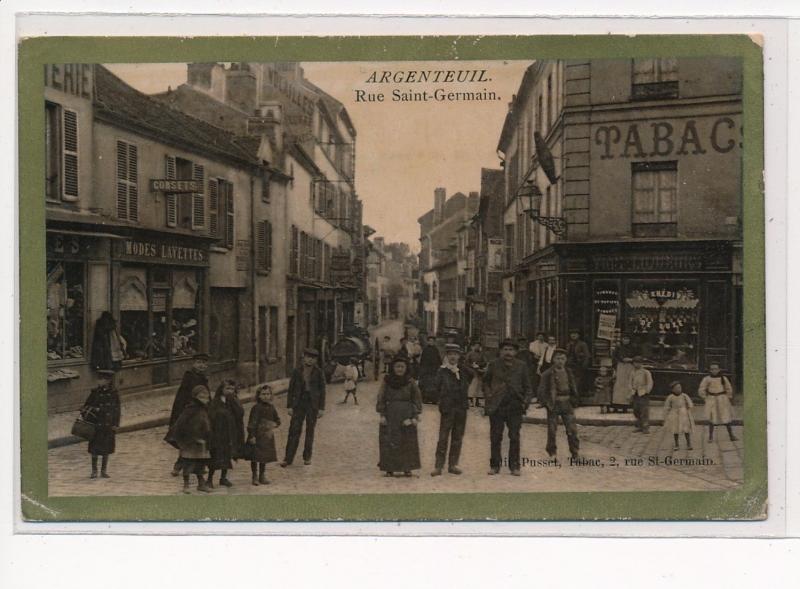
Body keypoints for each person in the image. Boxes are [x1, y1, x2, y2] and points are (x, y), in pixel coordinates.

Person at [482, 338, 532, 476]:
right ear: (500, 351)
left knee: (514, 436)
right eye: (505, 349)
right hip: (497, 405)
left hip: (515, 405)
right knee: (496, 436)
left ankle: (514, 466)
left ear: (515, 352)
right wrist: (489, 396)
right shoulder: (493, 364)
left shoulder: (522, 366)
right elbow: (485, 382)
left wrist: (525, 402)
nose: (508, 352)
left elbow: (528, 387)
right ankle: (494, 466)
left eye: (511, 350)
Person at [376, 356, 423, 477]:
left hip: (406, 414)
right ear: (393, 368)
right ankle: (389, 467)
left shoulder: (410, 382)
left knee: (408, 441)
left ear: (406, 368)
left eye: (402, 366)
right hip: (391, 414)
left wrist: (415, 416)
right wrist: (382, 414)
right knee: (390, 440)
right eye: (397, 366)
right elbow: (381, 397)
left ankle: (407, 468)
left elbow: (417, 399)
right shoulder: (387, 381)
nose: (400, 369)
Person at [281, 348, 326, 467]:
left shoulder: (319, 372)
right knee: (294, 430)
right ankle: (288, 458)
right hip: (299, 403)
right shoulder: (297, 371)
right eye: (308, 357)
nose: (310, 360)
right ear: (303, 357)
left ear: (316, 360)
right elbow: (291, 389)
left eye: (313, 358)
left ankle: (307, 457)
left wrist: (321, 408)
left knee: (310, 431)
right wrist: (290, 406)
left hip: (312, 404)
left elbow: (322, 391)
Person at [431, 343, 470, 476]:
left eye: (456, 354)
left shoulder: (463, 370)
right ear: (446, 356)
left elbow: (471, 377)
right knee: (443, 437)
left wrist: (461, 367)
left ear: (459, 356)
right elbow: (435, 387)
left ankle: (453, 464)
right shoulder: (442, 371)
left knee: (458, 437)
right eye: (450, 354)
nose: (453, 357)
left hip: (461, 408)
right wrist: (443, 400)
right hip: (447, 408)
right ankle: (438, 466)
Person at [167, 353, 209, 476]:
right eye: (199, 362)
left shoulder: (202, 377)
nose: (202, 365)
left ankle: (198, 465)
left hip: (200, 414)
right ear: (193, 363)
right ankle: (179, 465)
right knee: (187, 441)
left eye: (204, 363)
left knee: (199, 439)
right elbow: (182, 397)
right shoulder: (189, 377)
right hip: (190, 413)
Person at [166, 385, 212, 494]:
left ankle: (201, 484)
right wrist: (192, 438)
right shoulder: (190, 409)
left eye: (206, 397)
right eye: (201, 397)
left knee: (201, 464)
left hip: (202, 442)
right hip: (190, 443)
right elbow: (180, 426)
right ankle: (186, 485)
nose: (204, 399)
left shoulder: (205, 409)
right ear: (195, 397)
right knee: (188, 464)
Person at [537, 349, 581, 460]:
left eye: (562, 358)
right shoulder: (547, 374)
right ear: (553, 360)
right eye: (557, 358)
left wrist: (574, 399)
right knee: (552, 430)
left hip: (567, 403)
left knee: (572, 430)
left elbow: (573, 387)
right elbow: (541, 391)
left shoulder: (569, 372)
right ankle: (552, 453)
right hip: (554, 404)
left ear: (566, 360)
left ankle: (575, 453)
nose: (560, 361)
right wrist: (546, 403)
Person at [81, 369, 121, 479]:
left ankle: (104, 471)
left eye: (102, 379)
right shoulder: (95, 392)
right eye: (99, 379)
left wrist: (116, 424)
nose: (99, 381)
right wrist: (94, 410)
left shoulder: (114, 393)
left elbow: (117, 409)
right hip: (96, 424)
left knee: (106, 448)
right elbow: (86, 406)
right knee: (94, 448)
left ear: (108, 381)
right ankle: (94, 471)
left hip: (108, 424)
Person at [207, 379, 245, 488]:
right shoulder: (216, 401)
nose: (230, 391)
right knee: (215, 457)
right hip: (218, 434)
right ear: (221, 389)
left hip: (229, 434)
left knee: (227, 456)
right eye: (227, 388)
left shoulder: (233, 401)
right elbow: (211, 416)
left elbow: (240, 413)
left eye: (232, 389)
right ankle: (209, 479)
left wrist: (234, 401)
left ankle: (223, 478)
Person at [247, 384, 281, 485]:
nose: (266, 396)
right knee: (255, 456)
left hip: (267, 436)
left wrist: (275, 424)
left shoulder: (272, 408)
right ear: (259, 396)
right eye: (263, 394)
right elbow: (251, 423)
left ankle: (262, 475)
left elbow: (277, 420)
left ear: (271, 395)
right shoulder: (256, 408)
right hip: (256, 435)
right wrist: (252, 435)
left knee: (263, 457)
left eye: (268, 394)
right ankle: (254, 476)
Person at [698, 363, 738, 442]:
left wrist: (728, 397)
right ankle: (710, 437)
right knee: (712, 418)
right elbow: (702, 389)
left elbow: (728, 388)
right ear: (709, 370)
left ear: (719, 369)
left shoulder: (723, 378)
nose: (714, 371)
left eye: (716, 369)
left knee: (726, 416)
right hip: (712, 399)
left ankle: (731, 435)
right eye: (712, 369)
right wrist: (705, 397)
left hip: (722, 399)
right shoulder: (707, 379)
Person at [663, 381, 694, 450]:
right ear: (672, 390)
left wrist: (688, 407)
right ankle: (676, 444)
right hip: (674, 414)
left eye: (679, 387)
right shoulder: (670, 397)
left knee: (686, 429)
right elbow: (667, 406)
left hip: (683, 413)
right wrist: (667, 415)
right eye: (676, 388)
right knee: (675, 429)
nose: (678, 389)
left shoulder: (684, 396)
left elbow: (690, 403)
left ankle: (688, 443)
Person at [611, 334, 636, 412]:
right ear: (621, 339)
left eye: (627, 339)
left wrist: (631, 359)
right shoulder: (618, 348)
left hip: (629, 367)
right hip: (620, 367)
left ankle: (626, 406)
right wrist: (621, 360)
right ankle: (616, 405)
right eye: (624, 339)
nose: (626, 340)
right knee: (619, 386)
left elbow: (638, 357)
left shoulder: (633, 348)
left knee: (628, 385)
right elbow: (614, 357)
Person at [629, 356, 654, 434]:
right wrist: (631, 390)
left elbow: (650, 382)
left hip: (643, 393)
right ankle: (639, 426)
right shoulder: (632, 372)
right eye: (635, 363)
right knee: (636, 410)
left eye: (638, 362)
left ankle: (645, 427)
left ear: (641, 363)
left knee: (644, 411)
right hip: (635, 393)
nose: (636, 364)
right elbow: (630, 382)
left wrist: (647, 391)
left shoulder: (646, 372)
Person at [566, 329, 591, 397]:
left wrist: (584, 365)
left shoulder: (582, 344)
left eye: (575, 334)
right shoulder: (568, 344)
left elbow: (587, 355)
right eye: (572, 334)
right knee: (570, 381)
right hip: (569, 365)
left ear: (578, 335)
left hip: (578, 365)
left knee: (577, 382)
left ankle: (576, 398)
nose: (573, 335)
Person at [419, 334, 443, 404]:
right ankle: (426, 398)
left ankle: (434, 399)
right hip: (427, 370)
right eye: (430, 341)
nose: (431, 342)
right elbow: (422, 360)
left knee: (434, 384)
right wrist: (422, 369)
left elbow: (438, 359)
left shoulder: (436, 349)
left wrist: (440, 366)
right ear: (428, 342)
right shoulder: (425, 349)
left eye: (432, 341)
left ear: (434, 342)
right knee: (426, 384)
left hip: (434, 370)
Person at [464, 340, 487, 408]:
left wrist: (479, 365)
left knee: (479, 387)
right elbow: (466, 362)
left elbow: (485, 362)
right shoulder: (470, 354)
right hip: (471, 372)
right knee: (472, 386)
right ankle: (470, 401)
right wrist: (472, 365)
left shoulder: (481, 354)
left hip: (479, 372)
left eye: (478, 346)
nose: (477, 347)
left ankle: (478, 401)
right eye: (476, 345)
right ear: (473, 346)